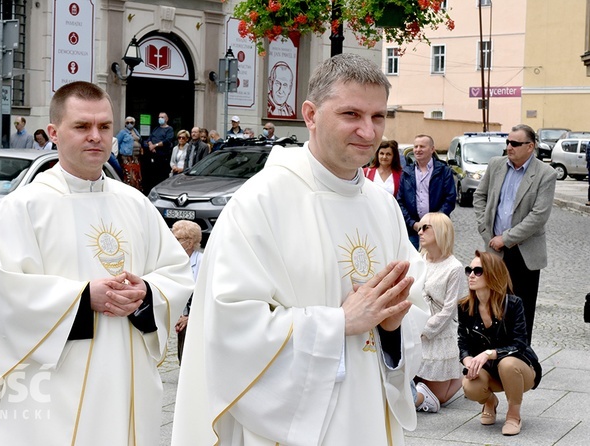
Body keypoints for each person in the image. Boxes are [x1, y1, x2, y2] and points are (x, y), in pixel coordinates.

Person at [172, 53, 429, 446]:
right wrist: (338, 323)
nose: (368, 131)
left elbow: (412, 306)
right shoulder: (259, 203)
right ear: (310, 114)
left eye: (378, 117)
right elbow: (230, 327)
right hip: (293, 427)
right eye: (351, 114)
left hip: (367, 416)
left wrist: (393, 328)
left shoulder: (383, 206)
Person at [0, 81, 194, 445]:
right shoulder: (25, 207)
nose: (96, 136)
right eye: (82, 127)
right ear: (54, 133)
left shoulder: (136, 203)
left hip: (127, 381)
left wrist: (148, 292)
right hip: (51, 390)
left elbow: (176, 273)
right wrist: (81, 298)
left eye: (104, 127)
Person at [473, 124, 556, 345]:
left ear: (530, 147)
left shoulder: (545, 174)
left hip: (524, 254)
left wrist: (506, 238)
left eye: (515, 143)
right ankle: (492, 356)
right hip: (494, 251)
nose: (509, 147)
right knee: (492, 305)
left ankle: (520, 363)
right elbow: (479, 197)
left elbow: (538, 216)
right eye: (508, 142)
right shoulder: (496, 165)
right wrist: (485, 230)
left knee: (522, 310)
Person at [458, 250, 542, 436]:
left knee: (508, 363)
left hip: (520, 370)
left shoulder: (513, 304)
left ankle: (514, 415)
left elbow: (520, 344)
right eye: (469, 270)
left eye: (478, 271)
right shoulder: (464, 307)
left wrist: (489, 353)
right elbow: (462, 343)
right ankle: (490, 402)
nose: (471, 275)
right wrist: (468, 361)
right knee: (470, 386)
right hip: (489, 371)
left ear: (493, 274)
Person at [413, 212, 466, 413]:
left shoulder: (454, 268)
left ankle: (464, 374)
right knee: (414, 384)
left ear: (441, 232)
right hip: (415, 327)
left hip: (438, 332)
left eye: (427, 227)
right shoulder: (419, 260)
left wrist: (424, 330)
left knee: (439, 398)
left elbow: (448, 311)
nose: (420, 231)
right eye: (420, 227)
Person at [397, 134, 456, 250]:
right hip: (412, 230)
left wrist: (434, 222)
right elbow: (400, 201)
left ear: (432, 149)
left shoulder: (444, 171)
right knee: (413, 264)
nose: (418, 150)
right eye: (416, 147)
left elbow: (450, 199)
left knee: (437, 261)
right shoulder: (407, 173)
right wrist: (412, 223)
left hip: (437, 229)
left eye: (422, 147)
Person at [171, 220, 203, 365]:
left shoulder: (202, 263)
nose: (172, 241)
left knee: (187, 328)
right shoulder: (176, 261)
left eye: (177, 239)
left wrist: (189, 317)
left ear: (189, 243)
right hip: (183, 313)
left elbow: (204, 297)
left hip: (199, 314)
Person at [142, 112, 174, 194]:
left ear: (166, 119)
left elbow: (167, 141)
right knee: (152, 176)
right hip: (153, 156)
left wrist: (155, 145)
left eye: (162, 117)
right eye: (159, 117)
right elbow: (149, 138)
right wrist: (150, 145)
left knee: (161, 177)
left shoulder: (169, 129)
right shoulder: (156, 128)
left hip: (163, 157)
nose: (160, 119)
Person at [116, 116, 143, 190]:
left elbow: (139, 140)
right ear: (125, 124)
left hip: (136, 158)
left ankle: (137, 190)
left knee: (137, 175)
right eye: (127, 122)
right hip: (127, 158)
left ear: (134, 123)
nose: (129, 124)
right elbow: (116, 142)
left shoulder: (136, 131)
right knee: (129, 176)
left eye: (131, 122)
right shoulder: (123, 132)